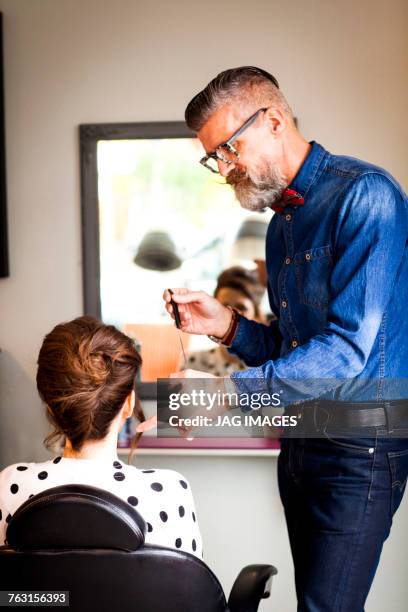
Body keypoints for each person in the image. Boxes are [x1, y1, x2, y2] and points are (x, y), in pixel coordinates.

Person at [163, 67, 408, 610]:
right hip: (300, 444)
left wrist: (226, 397)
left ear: (273, 120)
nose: (224, 168)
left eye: (229, 148)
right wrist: (225, 325)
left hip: (361, 448)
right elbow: (292, 351)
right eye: (214, 158)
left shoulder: (366, 196)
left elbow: (346, 351)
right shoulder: (280, 226)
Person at [0, 316, 202, 558]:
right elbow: (188, 590)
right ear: (128, 404)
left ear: (51, 408)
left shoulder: (9, 485)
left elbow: (7, 594)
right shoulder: (169, 492)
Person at [184, 265, 265, 376]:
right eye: (223, 306)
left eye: (241, 307)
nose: (232, 315)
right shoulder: (192, 362)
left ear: (256, 314)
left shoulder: (269, 370)